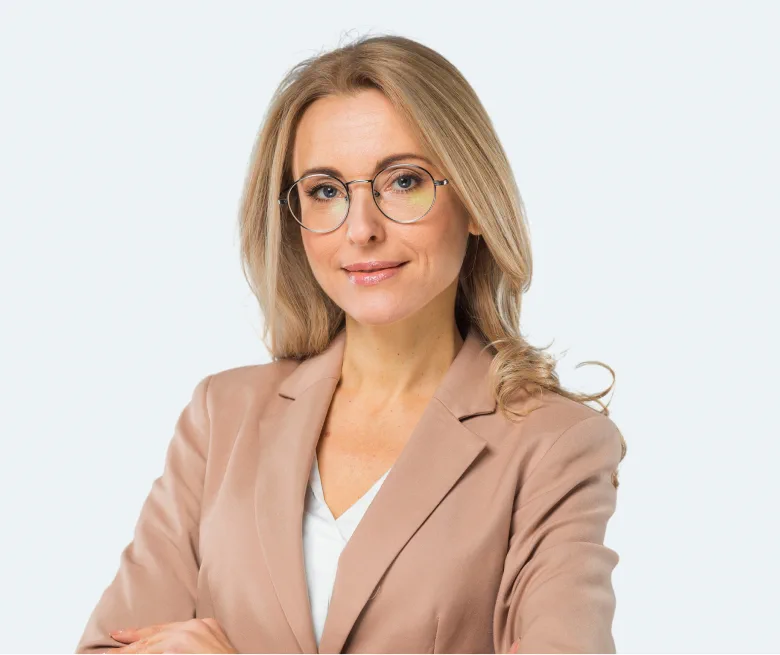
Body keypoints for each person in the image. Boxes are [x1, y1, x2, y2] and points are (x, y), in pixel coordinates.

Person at [75, 33, 627, 654]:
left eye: (403, 181)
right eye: (326, 191)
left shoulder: (554, 445)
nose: (361, 230)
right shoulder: (221, 416)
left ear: (474, 201)